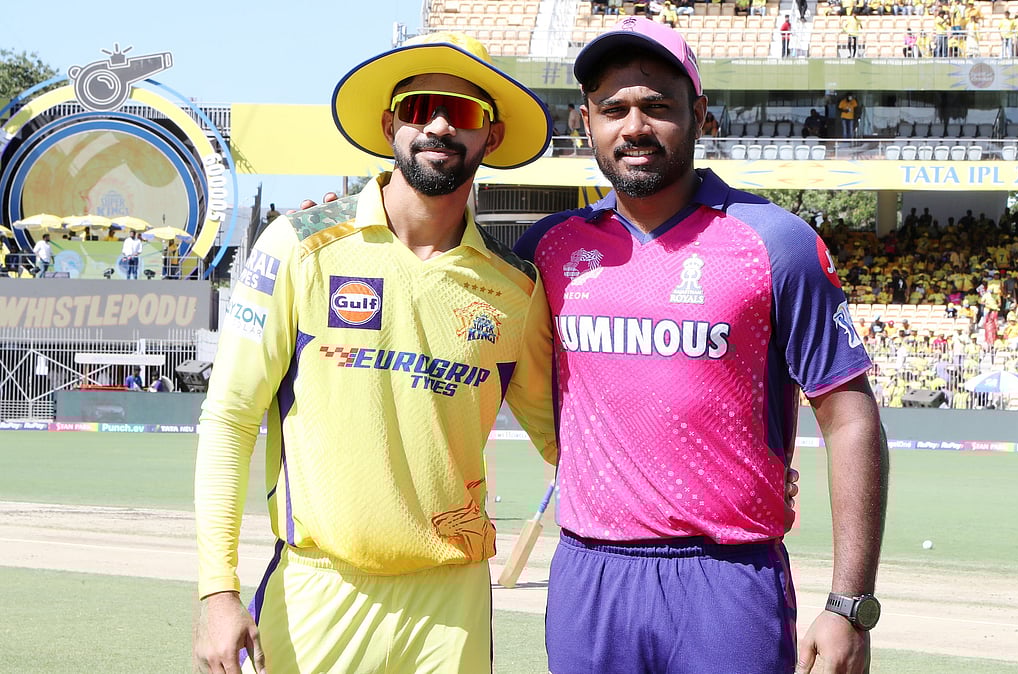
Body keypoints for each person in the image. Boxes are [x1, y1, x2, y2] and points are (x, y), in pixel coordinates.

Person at [515, 18, 887, 674]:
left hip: (727, 578)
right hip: (589, 575)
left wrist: (850, 602)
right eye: (614, 109)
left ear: (701, 116)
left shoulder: (774, 243)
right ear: (586, 122)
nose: (635, 126)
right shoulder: (547, 248)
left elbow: (850, 415)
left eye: (657, 106)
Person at [192, 31, 558, 674]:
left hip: (452, 599)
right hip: (318, 588)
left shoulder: (516, 289)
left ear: (491, 138)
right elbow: (229, 420)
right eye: (420, 109)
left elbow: (568, 441)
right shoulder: (299, 245)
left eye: (465, 114)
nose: (440, 126)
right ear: (392, 124)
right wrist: (215, 589)